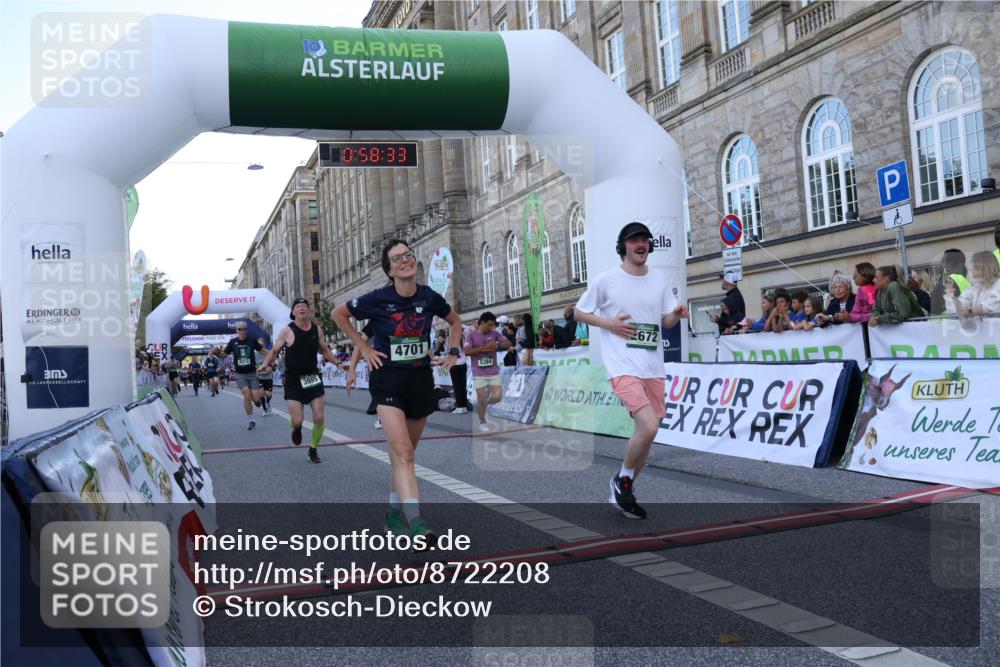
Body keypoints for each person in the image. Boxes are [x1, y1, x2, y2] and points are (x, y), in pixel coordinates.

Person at [332, 239, 463, 543]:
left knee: (404, 454)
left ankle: (392, 511)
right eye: (397, 258)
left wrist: (454, 351)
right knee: (403, 453)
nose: (405, 260)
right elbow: (339, 314)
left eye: (408, 255)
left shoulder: (429, 297)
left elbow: (455, 321)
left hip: (419, 382)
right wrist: (363, 347)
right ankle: (417, 524)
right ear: (389, 269)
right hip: (387, 382)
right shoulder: (378, 298)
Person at [573, 222, 688, 520]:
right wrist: (608, 324)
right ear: (623, 246)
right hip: (622, 366)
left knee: (647, 433)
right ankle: (623, 479)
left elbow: (666, 323)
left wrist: (675, 314)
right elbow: (578, 312)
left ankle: (624, 490)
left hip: (653, 367)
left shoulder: (660, 279)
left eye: (645, 240)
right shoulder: (607, 280)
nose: (640, 244)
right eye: (634, 240)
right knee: (649, 426)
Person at [258, 298, 339, 463]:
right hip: (293, 379)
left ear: (308, 311)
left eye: (305, 306)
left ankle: (313, 449)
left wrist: (338, 363)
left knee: (319, 418)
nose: (302, 309)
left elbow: (325, 350)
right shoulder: (286, 331)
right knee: (297, 420)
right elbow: (274, 351)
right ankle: (297, 427)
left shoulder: (317, 329)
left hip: (312, 377)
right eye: (298, 307)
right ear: (293, 312)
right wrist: (266, 364)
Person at [465, 312, 514, 432]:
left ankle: (482, 404)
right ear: (482, 322)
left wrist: (496, 345)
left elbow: (508, 343)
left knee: (498, 397)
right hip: (479, 372)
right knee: (482, 397)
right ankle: (482, 422)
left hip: (493, 371)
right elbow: (466, 352)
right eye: (489, 325)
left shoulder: (495, 333)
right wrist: (481, 349)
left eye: (493, 325)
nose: (491, 327)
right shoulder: (471, 335)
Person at [225, 322, 264, 430]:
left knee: (256, 398)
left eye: (244, 329)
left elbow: (263, 351)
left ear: (247, 330)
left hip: (252, 373)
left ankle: (257, 401)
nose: (242, 332)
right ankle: (251, 420)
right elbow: (224, 353)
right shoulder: (232, 342)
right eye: (240, 329)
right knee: (246, 394)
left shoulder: (252, 340)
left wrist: (273, 354)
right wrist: (216, 352)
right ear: (236, 331)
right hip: (240, 374)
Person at [347, 321, 383, 429]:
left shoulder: (413, 314)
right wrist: (352, 369)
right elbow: (359, 345)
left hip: (407, 371)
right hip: (382, 368)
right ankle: (381, 416)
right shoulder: (377, 318)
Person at [946, 250, 1000, 317]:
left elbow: (985, 307)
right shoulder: (976, 288)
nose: (971, 270)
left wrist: (969, 311)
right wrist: (949, 294)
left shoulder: (998, 285)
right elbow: (956, 309)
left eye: (975, 267)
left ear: (985, 268)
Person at [930, 249, 970, 315]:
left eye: (943, 261)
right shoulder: (966, 281)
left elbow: (934, 307)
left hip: (945, 322)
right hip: (962, 320)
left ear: (950, 264)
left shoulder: (947, 282)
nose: (941, 264)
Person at [449, 323, 471, 415]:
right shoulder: (465, 337)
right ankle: (464, 405)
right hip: (463, 363)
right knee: (462, 386)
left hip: (454, 364)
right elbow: (469, 329)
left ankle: (459, 406)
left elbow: (449, 351)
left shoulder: (453, 339)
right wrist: (460, 325)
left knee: (457, 386)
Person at [255, 338, 274, 415]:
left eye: (261, 344)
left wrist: (271, 367)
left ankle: (268, 402)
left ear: (264, 345)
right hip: (259, 377)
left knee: (268, 394)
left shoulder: (268, 353)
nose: (260, 346)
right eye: (258, 345)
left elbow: (274, 364)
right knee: (261, 393)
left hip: (268, 377)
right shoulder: (254, 354)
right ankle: (264, 409)